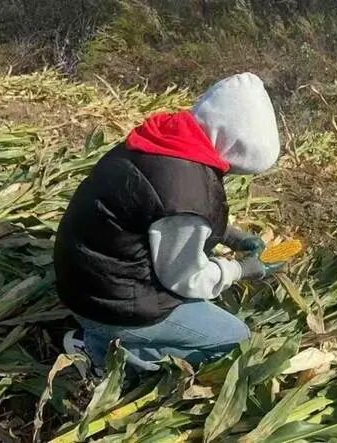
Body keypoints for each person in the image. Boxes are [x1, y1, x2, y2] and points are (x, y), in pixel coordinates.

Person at [54, 72, 282, 373]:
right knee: (236, 339)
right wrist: (240, 270)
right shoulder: (185, 190)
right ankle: (104, 357)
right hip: (107, 306)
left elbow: (154, 213)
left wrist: (231, 236)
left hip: (82, 278)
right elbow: (186, 279)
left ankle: (97, 339)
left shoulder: (161, 141)